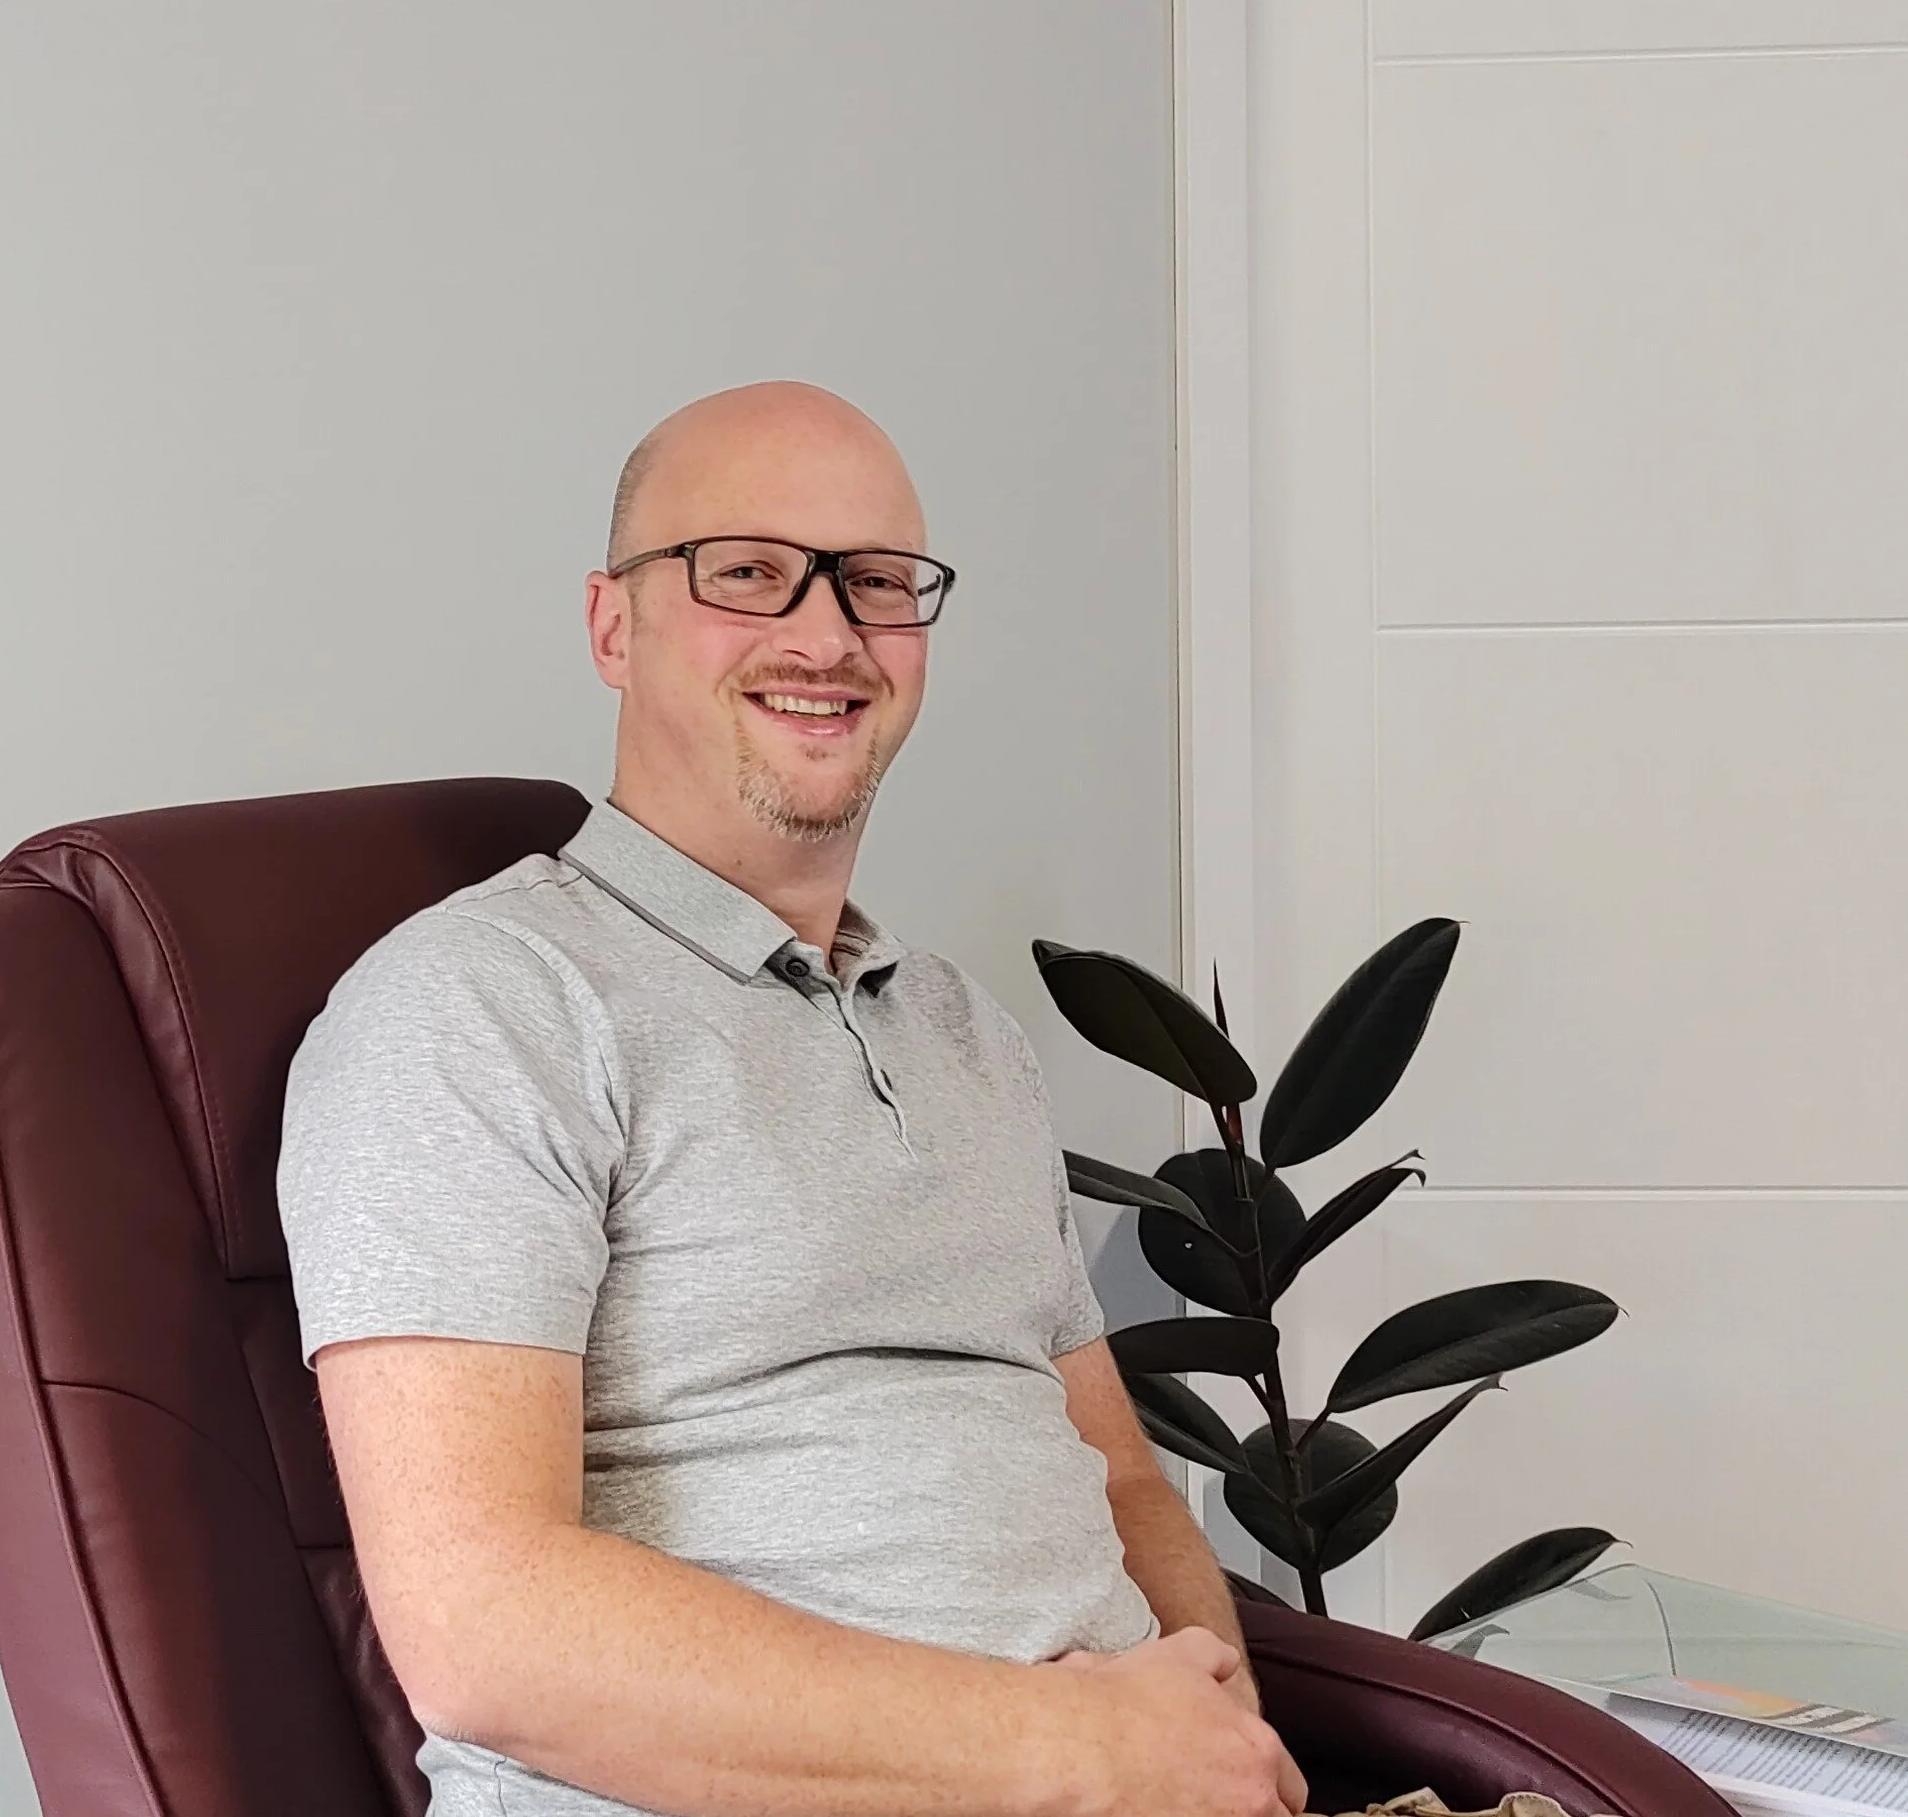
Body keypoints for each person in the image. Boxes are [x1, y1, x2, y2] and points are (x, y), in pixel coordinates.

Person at [278, 382, 1308, 1817]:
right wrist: (1078, 1751)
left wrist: (1218, 1740)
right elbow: (482, 1629)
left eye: (876, 581)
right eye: (749, 572)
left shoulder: (965, 1033)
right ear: (614, 626)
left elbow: (1124, 1485)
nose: (827, 636)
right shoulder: (479, 1005)